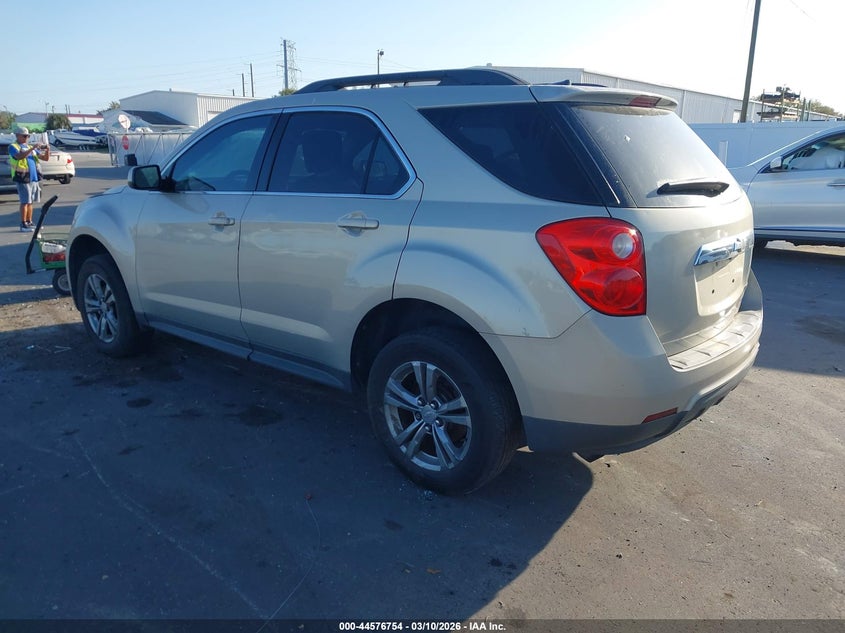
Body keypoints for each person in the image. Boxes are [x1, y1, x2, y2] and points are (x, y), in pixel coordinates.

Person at [8, 126, 50, 232]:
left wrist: (47, 149)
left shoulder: (31, 147)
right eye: (25, 136)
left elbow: (45, 158)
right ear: (17, 135)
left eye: (28, 136)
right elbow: (19, 157)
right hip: (22, 177)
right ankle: (23, 224)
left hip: (33, 177)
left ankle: (29, 222)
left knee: (31, 201)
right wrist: (32, 148)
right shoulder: (13, 147)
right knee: (25, 201)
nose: (27, 138)